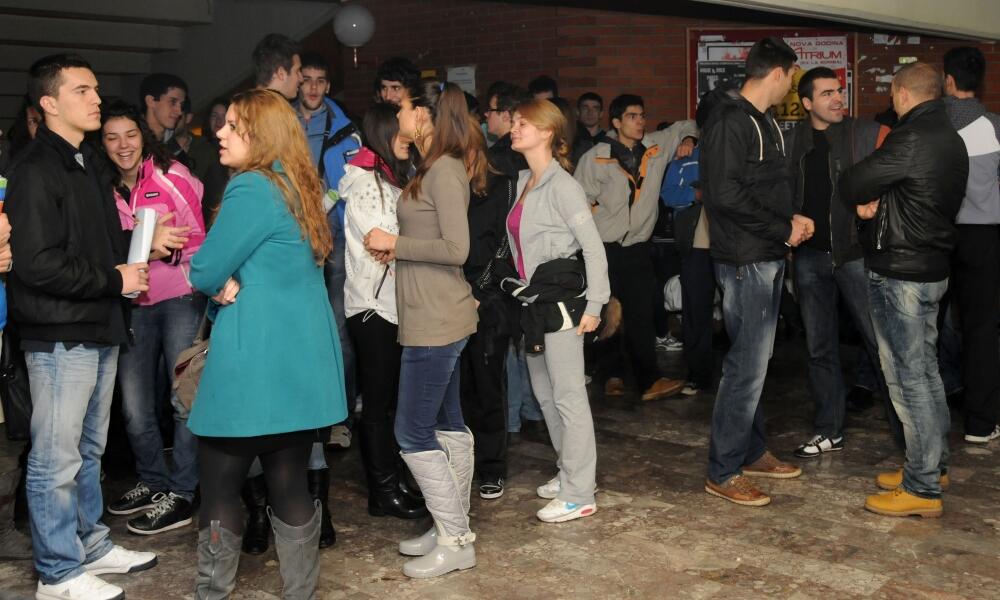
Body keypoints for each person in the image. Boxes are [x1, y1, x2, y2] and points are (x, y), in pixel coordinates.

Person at [7, 53, 156, 600]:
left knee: (90, 449)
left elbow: (96, 245)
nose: (96, 99)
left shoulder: (86, 161)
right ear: (49, 103)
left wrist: (139, 248)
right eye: (82, 91)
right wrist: (114, 278)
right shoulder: (34, 168)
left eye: (95, 89)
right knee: (56, 457)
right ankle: (57, 573)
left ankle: (90, 544)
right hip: (59, 331)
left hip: (98, 323)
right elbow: (37, 263)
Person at [188, 88, 347, 597]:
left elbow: (204, 269)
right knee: (289, 483)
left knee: (219, 487)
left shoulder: (252, 187)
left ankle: (212, 593)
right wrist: (226, 282)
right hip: (297, 366)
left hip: (251, 364)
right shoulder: (295, 183)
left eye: (233, 125)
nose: (220, 132)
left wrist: (218, 284)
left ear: (260, 135)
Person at [364, 80, 485, 579]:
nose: (399, 114)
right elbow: (433, 240)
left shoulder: (446, 170)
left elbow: (458, 250)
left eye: (405, 107)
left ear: (425, 117)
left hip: (438, 320)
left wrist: (397, 243)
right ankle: (449, 526)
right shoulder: (430, 167)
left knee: (411, 430)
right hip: (428, 315)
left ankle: (456, 541)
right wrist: (399, 250)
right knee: (445, 423)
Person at [841, 62, 969, 518]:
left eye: (893, 94)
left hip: (902, 272)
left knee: (907, 378)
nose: (891, 101)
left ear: (902, 93)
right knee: (927, 374)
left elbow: (853, 181)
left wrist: (870, 200)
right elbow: (916, 196)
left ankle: (921, 488)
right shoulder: (949, 136)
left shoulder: (911, 136)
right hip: (930, 268)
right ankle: (932, 466)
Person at [700, 37, 809, 507]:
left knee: (755, 363)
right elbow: (724, 194)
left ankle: (751, 450)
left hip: (765, 252)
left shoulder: (763, 120)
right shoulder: (730, 120)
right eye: (792, 77)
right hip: (745, 259)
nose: (791, 86)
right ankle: (723, 470)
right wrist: (783, 228)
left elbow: (762, 188)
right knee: (745, 365)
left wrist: (791, 220)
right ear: (779, 72)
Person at [99, 100, 207, 535]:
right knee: (134, 405)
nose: (122, 145)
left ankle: (182, 491)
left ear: (142, 136)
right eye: (111, 137)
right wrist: (147, 245)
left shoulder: (172, 176)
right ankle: (153, 481)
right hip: (131, 304)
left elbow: (199, 237)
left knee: (182, 399)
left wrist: (164, 250)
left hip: (180, 297)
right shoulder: (99, 187)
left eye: (130, 135)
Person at [506, 98, 609, 522]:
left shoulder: (564, 186)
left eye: (523, 123)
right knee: (546, 396)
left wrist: (596, 304)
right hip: (534, 305)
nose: (514, 128)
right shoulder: (522, 181)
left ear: (547, 132)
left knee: (568, 397)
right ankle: (572, 470)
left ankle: (579, 492)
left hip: (564, 305)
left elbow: (594, 248)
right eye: (514, 122)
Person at [785, 67, 891, 458]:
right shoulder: (791, 140)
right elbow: (778, 191)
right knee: (819, 347)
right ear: (807, 102)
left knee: (881, 344)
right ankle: (829, 429)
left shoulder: (862, 133)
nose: (837, 99)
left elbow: (900, 166)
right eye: (827, 93)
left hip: (855, 254)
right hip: (809, 257)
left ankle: (910, 433)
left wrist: (878, 204)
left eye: (839, 91)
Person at [574, 94, 697, 401]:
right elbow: (578, 200)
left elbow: (688, 124)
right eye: (632, 116)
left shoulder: (655, 146)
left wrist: (688, 139)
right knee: (607, 314)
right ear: (616, 122)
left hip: (638, 247)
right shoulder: (596, 157)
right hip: (603, 248)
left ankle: (648, 381)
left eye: (642, 115)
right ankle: (611, 375)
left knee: (641, 313)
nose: (640, 121)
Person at [340, 103, 427, 520]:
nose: (409, 138)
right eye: (402, 131)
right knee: (377, 406)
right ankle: (383, 491)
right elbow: (384, 243)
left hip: (391, 304)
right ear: (384, 133)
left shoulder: (391, 177)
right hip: (373, 307)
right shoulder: (366, 184)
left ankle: (394, 482)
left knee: (389, 403)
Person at [942, 46, 1000, 445]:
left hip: (936, 235)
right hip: (983, 237)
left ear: (948, 80)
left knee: (926, 326)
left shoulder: (930, 123)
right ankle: (980, 423)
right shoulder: (994, 125)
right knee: (981, 329)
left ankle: (928, 422)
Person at [139, 72, 188, 142]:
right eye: (173, 102)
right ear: (150, 101)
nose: (179, 112)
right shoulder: (133, 140)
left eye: (182, 105)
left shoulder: (176, 141)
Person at [573, 92, 605, 164]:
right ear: (578, 112)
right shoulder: (571, 138)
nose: (590, 112)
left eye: (595, 108)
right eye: (585, 108)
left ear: (601, 114)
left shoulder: (608, 140)